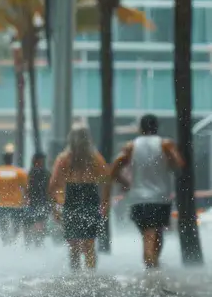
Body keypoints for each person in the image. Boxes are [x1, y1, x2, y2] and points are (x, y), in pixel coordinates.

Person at [110, 114, 183, 269]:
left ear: (140, 128)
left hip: (138, 198)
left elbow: (114, 169)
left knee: (151, 234)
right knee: (152, 235)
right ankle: (152, 272)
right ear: (157, 127)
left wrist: (125, 183)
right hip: (159, 198)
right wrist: (168, 160)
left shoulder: (131, 147)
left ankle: (153, 267)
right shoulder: (165, 145)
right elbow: (179, 164)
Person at [49, 125, 110, 270]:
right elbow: (106, 180)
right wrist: (105, 202)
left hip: (72, 199)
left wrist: (56, 206)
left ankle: (76, 279)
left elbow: (53, 186)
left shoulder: (64, 159)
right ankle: (90, 278)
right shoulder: (95, 158)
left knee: (74, 245)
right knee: (89, 244)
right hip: (90, 198)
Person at [0, 151, 28, 244]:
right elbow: (26, 187)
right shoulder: (19, 172)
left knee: (3, 227)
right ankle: (13, 243)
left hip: (1, 204)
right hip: (16, 204)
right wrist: (25, 198)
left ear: (3, 160)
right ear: (11, 160)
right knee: (16, 227)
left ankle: (5, 243)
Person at [25, 153, 51, 247]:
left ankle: (37, 243)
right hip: (36, 202)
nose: (42, 162)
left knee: (38, 223)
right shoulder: (36, 173)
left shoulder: (36, 173)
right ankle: (35, 243)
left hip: (41, 201)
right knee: (35, 223)